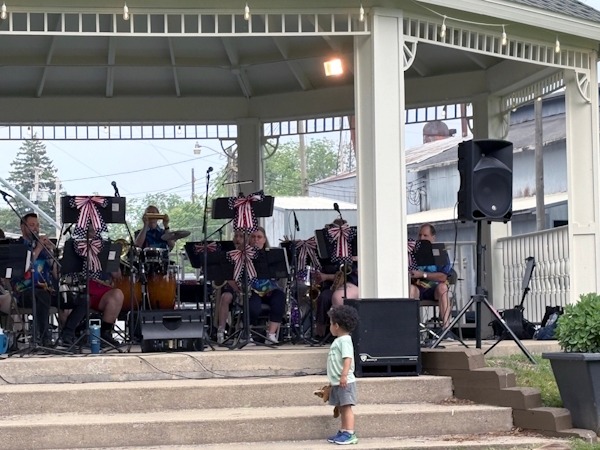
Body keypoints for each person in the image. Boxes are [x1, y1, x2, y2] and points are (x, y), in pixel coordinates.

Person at [9, 213, 56, 345]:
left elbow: (56, 273)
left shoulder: (43, 249)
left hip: (46, 290)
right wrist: (39, 247)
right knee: (42, 296)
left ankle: (69, 336)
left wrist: (52, 253)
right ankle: (44, 338)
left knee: (76, 299)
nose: (36, 228)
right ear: (23, 227)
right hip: (23, 291)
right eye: (31, 225)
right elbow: (25, 266)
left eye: (37, 225)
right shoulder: (17, 246)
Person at [314, 219, 359, 339]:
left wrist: (327, 277)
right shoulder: (327, 252)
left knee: (338, 297)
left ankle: (342, 330)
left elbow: (350, 274)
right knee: (324, 297)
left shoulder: (354, 247)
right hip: (332, 286)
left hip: (350, 283)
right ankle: (321, 331)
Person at [326, 304, 359, 445]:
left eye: (330, 324)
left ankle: (350, 433)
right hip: (338, 382)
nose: (330, 327)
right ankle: (343, 430)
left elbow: (347, 359)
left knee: (346, 407)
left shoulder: (345, 341)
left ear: (336, 326)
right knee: (341, 407)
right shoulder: (339, 341)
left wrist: (344, 375)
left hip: (345, 382)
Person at [409, 223, 452, 330]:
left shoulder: (441, 253)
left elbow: (443, 277)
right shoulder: (412, 251)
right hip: (417, 287)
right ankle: (412, 329)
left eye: (425, 235)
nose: (421, 238)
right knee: (410, 289)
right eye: (420, 235)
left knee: (443, 288)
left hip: (435, 289)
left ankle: (446, 329)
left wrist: (423, 274)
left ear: (433, 237)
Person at [248, 226, 286, 344]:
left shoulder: (272, 255)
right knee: (253, 306)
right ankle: (248, 333)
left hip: (269, 289)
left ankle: (271, 334)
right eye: (253, 237)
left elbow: (280, 273)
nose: (256, 239)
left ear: (264, 240)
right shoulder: (245, 255)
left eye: (259, 237)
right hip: (252, 290)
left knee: (280, 297)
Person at [215, 230, 245, 345]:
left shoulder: (251, 253)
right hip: (233, 286)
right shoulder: (229, 254)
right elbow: (226, 275)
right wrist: (237, 288)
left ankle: (245, 330)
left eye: (241, 236)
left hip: (249, 287)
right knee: (225, 297)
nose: (237, 239)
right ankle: (221, 331)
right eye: (236, 236)